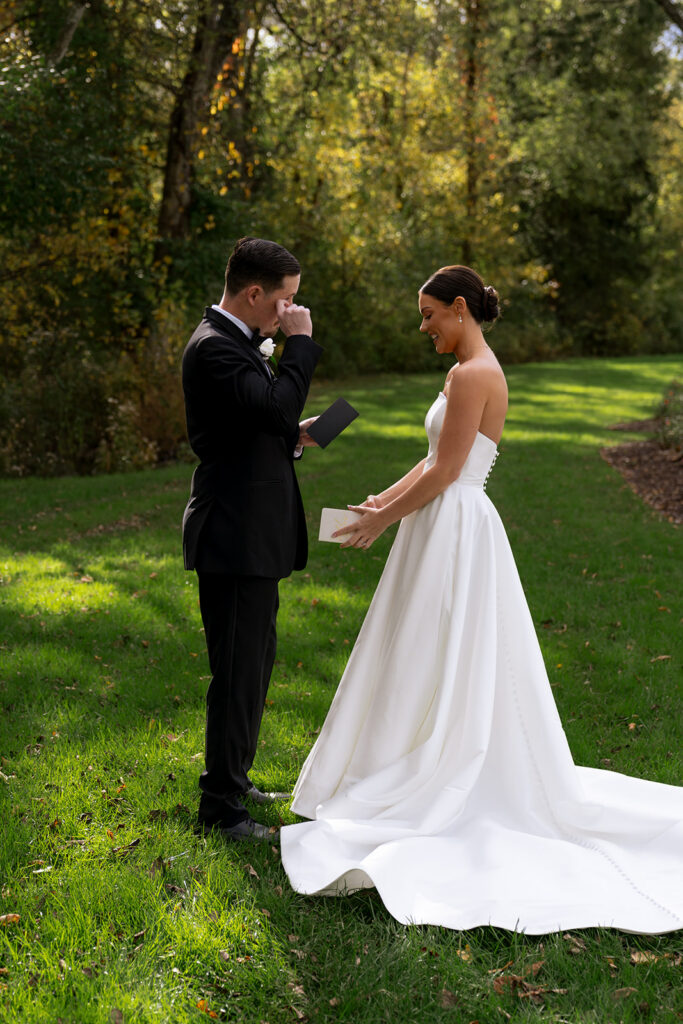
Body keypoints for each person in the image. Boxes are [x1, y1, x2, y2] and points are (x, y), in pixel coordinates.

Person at [280, 265, 683, 934]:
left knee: (438, 645)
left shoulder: (474, 375)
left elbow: (448, 470)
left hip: (456, 526)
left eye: (429, 314)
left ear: (459, 308)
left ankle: (436, 766)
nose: (423, 327)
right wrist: (380, 500)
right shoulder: (462, 371)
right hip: (440, 518)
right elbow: (435, 454)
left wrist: (384, 522)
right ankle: (402, 754)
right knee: (417, 648)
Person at [182, 237, 322, 841]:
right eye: (286, 299)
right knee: (237, 672)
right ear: (255, 292)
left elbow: (261, 420)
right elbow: (271, 406)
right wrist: (303, 345)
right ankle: (220, 808)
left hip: (251, 531)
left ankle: (233, 780)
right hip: (233, 535)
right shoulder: (215, 348)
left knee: (254, 665)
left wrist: (294, 435)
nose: (290, 311)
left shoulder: (238, 344)